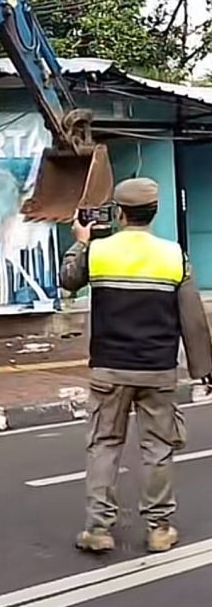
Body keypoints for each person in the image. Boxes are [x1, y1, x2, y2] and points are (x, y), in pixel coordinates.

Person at [61, 178, 212, 554]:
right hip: (158, 371)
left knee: (103, 446)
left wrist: (82, 238)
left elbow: (68, 280)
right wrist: (204, 369)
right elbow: (193, 318)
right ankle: (159, 528)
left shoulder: (99, 252)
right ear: (155, 211)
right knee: (158, 449)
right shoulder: (173, 256)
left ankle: (98, 528)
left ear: (120, 213)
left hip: (109, 371)